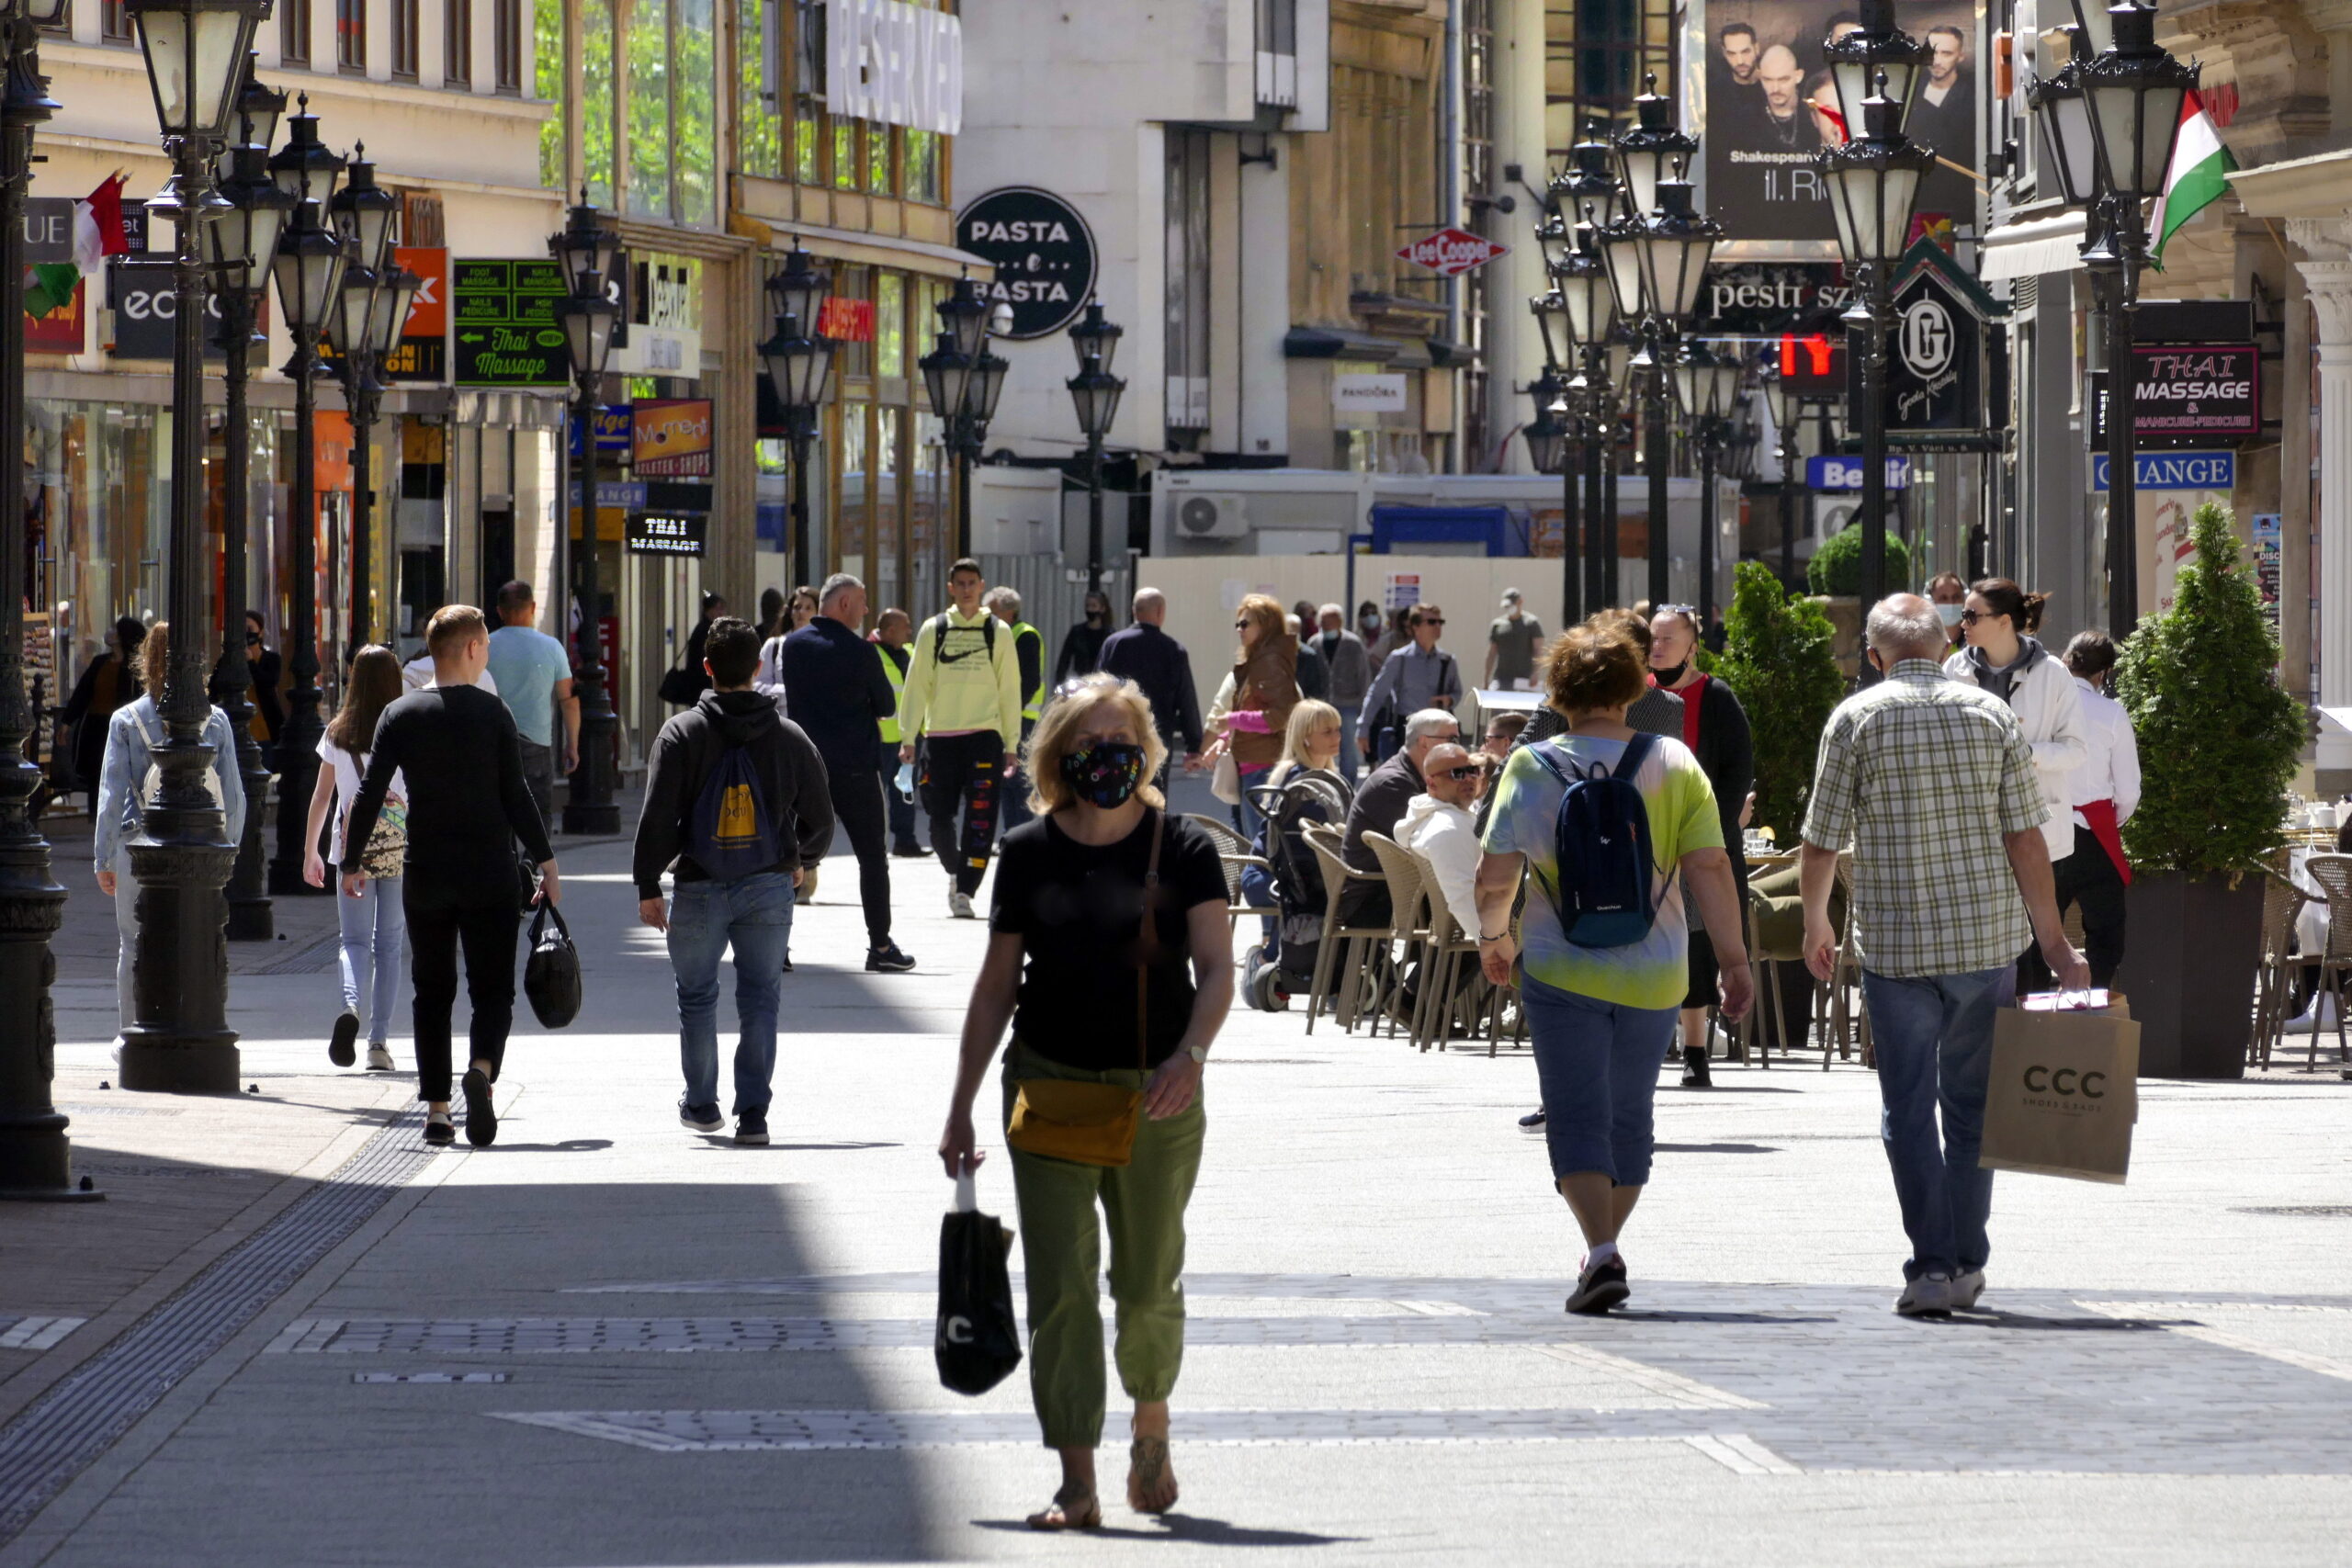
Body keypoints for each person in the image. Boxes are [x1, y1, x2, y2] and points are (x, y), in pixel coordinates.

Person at [937, 673, 1233, 1531]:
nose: (1110, 754)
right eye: (1091, 742)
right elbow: (997, 986)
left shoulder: (1182, 847)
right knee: (1060, 1287)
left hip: (1159, 1092)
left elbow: (1216, 967)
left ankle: (1150, 1417)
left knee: (1146, 1284)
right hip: (1050, 1084)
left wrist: (1193, 1054)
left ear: (1146, 747)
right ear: (1063, 754)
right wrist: (959, 1104)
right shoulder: (1028, 851)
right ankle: (1077, 1477)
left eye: (1124, 738)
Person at [1800, 594, 2088, 1318]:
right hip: (1984, 942)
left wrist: (1813, 922)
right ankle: (1965, 1258)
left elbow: (1821, 839)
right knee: (1972, 1106)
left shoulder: (1854, 718)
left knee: (1906, 1107)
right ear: (1944, 643)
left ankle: (1930, 1265)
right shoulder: (1990, 714)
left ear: (1875, 656)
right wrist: (2054, 941)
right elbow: (2028, 835)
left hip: (1896, 947)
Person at [1474, 622, 1751, 1314]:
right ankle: (1605, 1243)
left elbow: (1492, 875)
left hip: (1561, 968)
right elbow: (1711, 866)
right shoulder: (1675, 761)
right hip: (1656, 971)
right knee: (1631, 1115)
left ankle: (1600, 1248)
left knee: (1574, 1113)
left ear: (1559, 692)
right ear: (1634, 687)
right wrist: (1734, 960)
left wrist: (1494, 938)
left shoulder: (1530, 765)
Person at [341, 604, 558, 1150]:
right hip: (489, 870)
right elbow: (516, 795)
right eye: (483, 643)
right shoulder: (493, 713)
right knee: (492, 989)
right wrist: (547, 861)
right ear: (470, 649)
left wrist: (351, 859)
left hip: (427, 871)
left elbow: (370, 792)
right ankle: (481, 1071)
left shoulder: (400, 713)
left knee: (431, 991)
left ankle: (437, 1112)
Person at [636, 616, 836, 1145]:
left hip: (698, 883)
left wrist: (647, 884)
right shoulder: (790, 737)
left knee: (696, 997)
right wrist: (801, 858)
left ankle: (702, 1104)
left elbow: (657, 818)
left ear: (706, 669)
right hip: (768, 885)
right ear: (757, 670)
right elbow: (822, 819)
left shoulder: (681, 733)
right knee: (761, 998)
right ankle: (753, 1116)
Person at [93, 620, 246, 1040]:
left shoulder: (126, 720)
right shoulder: (215, 721)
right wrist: (227, 849)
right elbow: (233, 797)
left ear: (146, 661)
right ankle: (197, 1025)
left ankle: (131, 1034)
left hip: (135, 843)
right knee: (197, 937)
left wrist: (103, 856)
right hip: (200, 845)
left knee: (133, 941)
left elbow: (111, 793)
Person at [781, 573, 916, 973]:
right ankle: (880, 946)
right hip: (855, 768)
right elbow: (886, 707)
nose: (867, 610)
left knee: (788, 856)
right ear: (843, 604)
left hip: (803, 768)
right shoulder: (860, 652)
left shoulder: (793, 645)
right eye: (862, 601)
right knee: (872, 857)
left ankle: (775, 946)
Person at [1649, 605, 1754, 1089]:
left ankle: (1695, 1050)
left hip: (1701, 838)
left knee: (1695, 940)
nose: (1659, 647)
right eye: (1654, 638)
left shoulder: (1715, 696)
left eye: (1669, 639)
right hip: (1645, 840)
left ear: (1693, 646)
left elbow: (1738, 768)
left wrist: (1716, 821)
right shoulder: (1635, 695)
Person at [1944, 579, 2086, 904]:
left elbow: (2077, 749)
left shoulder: (2052, 674)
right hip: (1972, 830)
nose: (1963, 623)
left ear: (2004, 621)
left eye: (1972, 616)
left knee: (2037, 943)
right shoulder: (1955, 668)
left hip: (2037, 829)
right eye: (1963, 614)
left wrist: (2028, 753)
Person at [897, 558, 1023, 919]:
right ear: (951, 588)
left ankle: (966, 889)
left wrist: (1011, 744)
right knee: (939, 819)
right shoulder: (933, 629)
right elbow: (916, 685)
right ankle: (954, 869)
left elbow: (1009, 689)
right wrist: (909, 737)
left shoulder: (997, 632)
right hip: (941, 738)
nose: (967, 589)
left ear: (981, 586)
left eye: (972, 583)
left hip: (984, 736)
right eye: (960, 584)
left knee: (982, 819)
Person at [302, 645, 407, 1073]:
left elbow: (322, 796)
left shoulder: (337, 733)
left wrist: (311, 851)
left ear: (354, 680)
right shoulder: (405, 728)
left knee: (354, 942)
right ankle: (378, 1042)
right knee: (390, 945)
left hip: (351, 850)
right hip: (398, 845)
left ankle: (350, 1006)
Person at [2020, 632, 2140, 990]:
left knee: (2033, 929)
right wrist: (2106, 818)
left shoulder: (2041, 707)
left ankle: (2034, 1006)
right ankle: (2093, 998)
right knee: (2106, 930)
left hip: (2040, 833)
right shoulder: (2112, 713)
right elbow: (2129, 791)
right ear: (2104, 674)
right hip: (2093, 835)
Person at [1238, 699, 1343, 952]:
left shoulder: (1324, 777)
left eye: (1338, 729)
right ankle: (1269, 962)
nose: (1337, 736)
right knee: (1324, 896)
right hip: (1266, 877)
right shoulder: (1299, 782)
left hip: (1292, 876)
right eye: (1327, 731)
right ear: (1305, 737)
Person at [1340, 707, 1461, 927]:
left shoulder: (1413, 776)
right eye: (1452, 739)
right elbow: (1431, 841)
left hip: (1396, 890)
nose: (1458, 747)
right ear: (1425, 743)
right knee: (1472, 909)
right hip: (1371, 900)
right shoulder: (1393, 783)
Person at [1200, 594, 1301, 839]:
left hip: (1263, 769)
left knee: (1261, 848)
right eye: (1237, 624)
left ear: (1265, 626)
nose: (1239, 630)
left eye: (1245, 624)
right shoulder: (1261, 659)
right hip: (1253, 766)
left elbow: (1281, 716)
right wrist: (1224, 739)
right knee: (1254, 842)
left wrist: (1233, 719)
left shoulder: (1269, 662)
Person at [484, 580, 579, 829]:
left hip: (494, 739)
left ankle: (508, 860)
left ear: (500, 611)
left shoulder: (485, 647)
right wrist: (573, 745)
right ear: (533, 607)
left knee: (498, 806)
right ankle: (532, 860)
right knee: (538, 808)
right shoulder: (552, 647)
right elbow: (568, 701)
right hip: (536, 741)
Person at [1099, 587, 1204, 787]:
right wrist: (1194, 746)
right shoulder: (1173, 649)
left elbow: (1097, 691)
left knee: (1117, 792)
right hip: (1157, 737)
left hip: (1116, 735)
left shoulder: (1113, 644)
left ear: (1134, 611)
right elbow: (1186, 698)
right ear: (1160, 612)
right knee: (1154, 798)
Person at [1397, 739, 1486, 939]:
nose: (1469, 779)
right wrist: (1494, 947)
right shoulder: (1448, 828)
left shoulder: (1449, 816)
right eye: (1457, 774)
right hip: (1483, 934)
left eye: (1473, 770)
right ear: (1431, 783)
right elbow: (1462, 897)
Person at [1358, 604, 1463, 763]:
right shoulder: (1400, 658)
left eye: (1440, 622)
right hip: (1407, 733)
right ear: (1415, 626)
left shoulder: (1447, 661)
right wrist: (1363, 729)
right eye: (1431, 622)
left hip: (1438, 733)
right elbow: (1376, 694)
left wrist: (1449, 700)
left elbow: (1457, 691)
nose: (1437, 626)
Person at [61, 615, 145, 810]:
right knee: (95, 773)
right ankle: (95, 816)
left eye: (116, 631)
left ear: (123, 637)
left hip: (118, 728)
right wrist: (66, 722)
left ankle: (118, 814)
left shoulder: (133, 667)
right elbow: (83, 693)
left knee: (118, 773)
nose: (111, 633)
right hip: (95, 728)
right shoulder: (100, 662)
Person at [988, 586, 1048, 831]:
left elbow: (1030, 682)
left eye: (992, 611)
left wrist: (1010, 712)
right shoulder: (999, 634)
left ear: (1008, 612)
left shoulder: (1024, 636)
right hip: (1001, 716)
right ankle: (1010, 833)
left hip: (1021, 717)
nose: (987, 616)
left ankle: (1022, 833)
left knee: (1019, 780)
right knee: (1006, 779)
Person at [872, 607, 924, 857]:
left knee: (906, 791)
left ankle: (906, 841)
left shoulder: (912, 652)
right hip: (881, 738)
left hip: (909, 737)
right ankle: (875, 844)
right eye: (906, 626)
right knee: (877, 796)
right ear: (891, 630)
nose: (910, 631)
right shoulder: (870, 654)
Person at [1909, 26, 1977, 216]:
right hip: (1919, 198)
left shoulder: (1974, 96)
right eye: (1933, 53)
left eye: (1946, 53)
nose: (1937, 61)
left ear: (1960, 56)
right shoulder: (1910, 91)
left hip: (1960, 199)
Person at [1313, 604, 1372, 782]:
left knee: (1348, 749)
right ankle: (1323, 781)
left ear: (1339, 622)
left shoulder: (1352, 643)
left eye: (1329, 621)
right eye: (1322, 621)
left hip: (1348, 704)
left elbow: (1364, 674)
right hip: (1322, 704)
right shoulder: (1315, 642)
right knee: (1320, 745)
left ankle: (1347, 784)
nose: (1325, 625)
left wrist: (1363, 704)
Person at [1727, 44, 1821, 155]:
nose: (1775, 89)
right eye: (1768, 80)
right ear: (1760, 77)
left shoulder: (1816, 113)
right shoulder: (1745, 118)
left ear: (1798, 76)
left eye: (1783, 80)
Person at [756, 586, 821, 691]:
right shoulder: (773, 646)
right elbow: (758, 686)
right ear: (790, 612)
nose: (801, 612)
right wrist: (790, 692)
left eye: (808, 608)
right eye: (797, 607)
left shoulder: (824, 647)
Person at [1485, 589, 1546, 691]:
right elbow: (1492, 653)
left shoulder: (1531, 623)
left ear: (1520, 602)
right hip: (1502, 679)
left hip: (1525, 680)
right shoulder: (1497, 624)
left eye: (1512, 604)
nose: (1509, 608)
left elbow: (1538, 650)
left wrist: (1535, 673)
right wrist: (1486, 678)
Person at [243, 611, 284, 750]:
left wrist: (250, 662)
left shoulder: (272, 659)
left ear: (260, 632)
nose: (246, 634)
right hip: (241, 730)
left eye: (250, 629)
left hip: (265, 730)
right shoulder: (232, 662)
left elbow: (268, 682)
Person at [1054, 591, 1114, 685]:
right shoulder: (1077, 631)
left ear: (1102, 609)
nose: (1090, 610)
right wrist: (1059, 682)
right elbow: (1064, 660)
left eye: (1094, 606)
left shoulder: (1110, 634)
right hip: (1081, 682)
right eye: (1087, 606)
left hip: (1102, 684)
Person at [1289, 615, 1329, 702]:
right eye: (1289, 630)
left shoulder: (1308, 655)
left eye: (1295, 629)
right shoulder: (1273, 654)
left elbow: (1314, 685)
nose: (1292, 633)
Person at [1928, 571, 1969, 651]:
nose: (1951, 603)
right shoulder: (1923, 642)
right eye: (1943, 598)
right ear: (1931, 602)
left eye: (1956, 597)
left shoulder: (1976, 641)